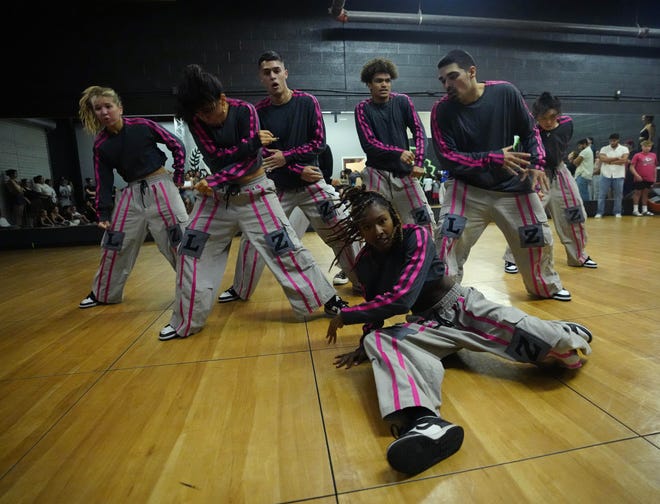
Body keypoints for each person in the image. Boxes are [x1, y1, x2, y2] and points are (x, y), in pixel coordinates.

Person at [325, 187, 593, 476]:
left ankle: (561, 330)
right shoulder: (366, 262)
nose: (377, 230)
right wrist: (365, 342)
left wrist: (346, 315)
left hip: (463, 307)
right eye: (367, 227)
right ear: (359, 231)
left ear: (393, 216)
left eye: (382, 221)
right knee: (380, 340)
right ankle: (425, 423)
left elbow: (402, 298)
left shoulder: (417, 236)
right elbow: (375, 304)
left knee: (558, 348)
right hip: (428, 325)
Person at [159, 64, 348, 340]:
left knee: (285, 247)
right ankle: (184, 321)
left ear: (222, 99)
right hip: (218, 197)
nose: (206, 119)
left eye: (210, 111)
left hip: (254, 191)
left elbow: (249, 163)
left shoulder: (245, 111)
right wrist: (248, 147)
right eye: (199, 114)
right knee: (191, 250)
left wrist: (219, 174)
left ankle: (328, 299)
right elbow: (216, 157)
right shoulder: (197, 119)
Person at [216, 50, 361, 304]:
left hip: (312, 183)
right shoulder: (257, 112)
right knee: (255, 237)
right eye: (266, 72)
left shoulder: (307, 102)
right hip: (278, 187)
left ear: (285, 72)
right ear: (260, 78)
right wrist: (295, 167)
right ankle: (240, 288)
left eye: (276, 70)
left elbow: (318, 143)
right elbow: (263, 154)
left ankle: (362, 281)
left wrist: (288, 157)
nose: (272, 76)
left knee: (341, 229)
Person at [431, 49, 570, 301]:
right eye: (443, 80)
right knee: (447, 240)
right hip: (466, 189)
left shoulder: (505, 92)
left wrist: (538, 163)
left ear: (472, 72)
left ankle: (545, 286)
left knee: (537, 238)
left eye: (453, 76)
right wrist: (493, 158)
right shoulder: (441, 110)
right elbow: (447, 157)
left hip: (512, 187)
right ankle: (444, 295)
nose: (447, 85)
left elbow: (530, 132)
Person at [77, 85, 189, 309]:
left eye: (108, 106)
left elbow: (176, 144)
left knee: (178, 240)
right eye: (98, 108)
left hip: (161, 186)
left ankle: (195, 287)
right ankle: (104, 293)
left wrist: (178, 175)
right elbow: (103, 180)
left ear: (119, 108)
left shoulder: (142, 125)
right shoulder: (101, 144)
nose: (104, 112)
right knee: (114, 242)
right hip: (131, 192)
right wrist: (103, 212)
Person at [502, 93, 596, 271]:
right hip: (536, 173)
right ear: (536, 117)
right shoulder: (530, 131)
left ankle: (578, 255)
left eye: (553, 117)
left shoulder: (567, 123)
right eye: (543, 118)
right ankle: (512, 258)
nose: (548, 122)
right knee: (528, 218)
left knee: (574, 213)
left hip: (560, 172)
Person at [354, 57, 436, 239]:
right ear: (369, 84)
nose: (384, 85)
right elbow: (369, 143)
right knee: (371, 223)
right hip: (376, 175)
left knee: (424, 222)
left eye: (387, 80)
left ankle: (430, 263)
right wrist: (398, 152)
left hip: (404, 174)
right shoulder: (362, 109)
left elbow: (419, 132)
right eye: (378, 81)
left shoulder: (403, 101)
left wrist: (419, 161)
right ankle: (376, 264)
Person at [595, 133, 629, 218]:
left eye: (614, 141)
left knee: (618, 194)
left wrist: (609, 161)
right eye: (610, 141)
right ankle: (599, 212)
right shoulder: (604, 148)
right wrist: (617, 158)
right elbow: (602, 159)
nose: (612, 142)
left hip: (618, 175)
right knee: (602, 194)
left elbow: (624, 160)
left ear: (618, 140)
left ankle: (617, 212)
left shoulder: (624, 149)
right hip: (605, 174)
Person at [629, 140, 657, 216]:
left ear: (651, 147)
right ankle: (635, 210)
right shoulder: (637, 155)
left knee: (645, 194)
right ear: (642, 147)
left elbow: (654, 167)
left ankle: (645, 210)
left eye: (649, 146)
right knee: (637, 193)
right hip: (639, 178)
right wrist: (637, 175)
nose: (647, 148)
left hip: (649, 179)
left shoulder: (653, 155)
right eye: (645, 146)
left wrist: (655, 178)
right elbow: (631, 167)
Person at [571, 138, 594, 202]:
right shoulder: (589, 150)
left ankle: (586, 208)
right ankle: (587, 209)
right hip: (586, 174)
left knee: (582, 193)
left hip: (582, 175)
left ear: (584, 144)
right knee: (584, 192)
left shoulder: (585, 151)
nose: (578, 147)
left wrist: (572, 159)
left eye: (579, 145)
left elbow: (576, 162)